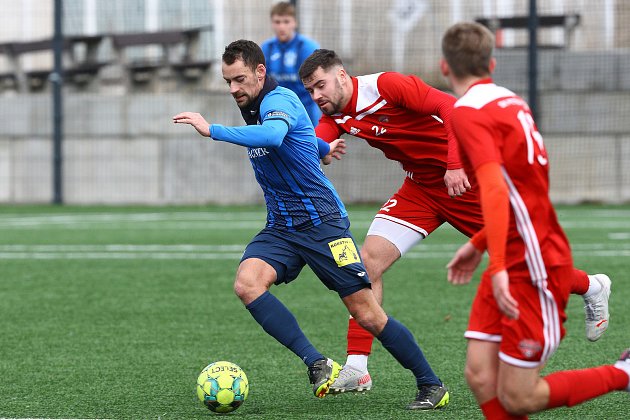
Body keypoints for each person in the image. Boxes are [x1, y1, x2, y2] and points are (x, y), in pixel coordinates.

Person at [298, 49, 612, 394]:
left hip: (466, 183)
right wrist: (318, 150)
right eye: (310, 91)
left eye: (320, 86)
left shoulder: (386, 85)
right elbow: (317, 140)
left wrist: (455, 163)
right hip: (420, 190)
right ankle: (358, 366)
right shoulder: (336, 112)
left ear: (342, 76)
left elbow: (449, 107)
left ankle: (591, 286)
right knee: (366, 262)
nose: (316, 96)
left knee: (528, 265)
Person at [173, 39, 449, 410]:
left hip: (322, 223)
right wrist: (322, 148)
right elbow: (297, 135)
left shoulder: (278, 99)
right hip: (282, 226)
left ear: (260, 72)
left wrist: (213, 130)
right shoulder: (253, 104)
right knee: (247, 284)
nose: (233, 89)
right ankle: (317, 362)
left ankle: (431, 384)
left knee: (365, 312)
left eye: (239, 79)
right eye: (227, 82)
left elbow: (274, 135)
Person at [441, 22, 629, 419]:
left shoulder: (466, 112)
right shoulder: (510, 100)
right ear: (491, 62)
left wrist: (498, 265)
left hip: (534, 263)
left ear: (444, 67)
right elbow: (521, 191)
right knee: (479, 375)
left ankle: (623, 372)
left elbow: (493, 187)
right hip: (513, 250)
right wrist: (478, 245)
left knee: (520, 397)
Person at [261, 1, 321, 126]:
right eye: (277, 22)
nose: (282, 27)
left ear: (294, 23)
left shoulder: (308, 48)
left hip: (305, 112)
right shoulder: (266, 48)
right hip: (277, 112)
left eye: (286, 21)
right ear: (272, 23)